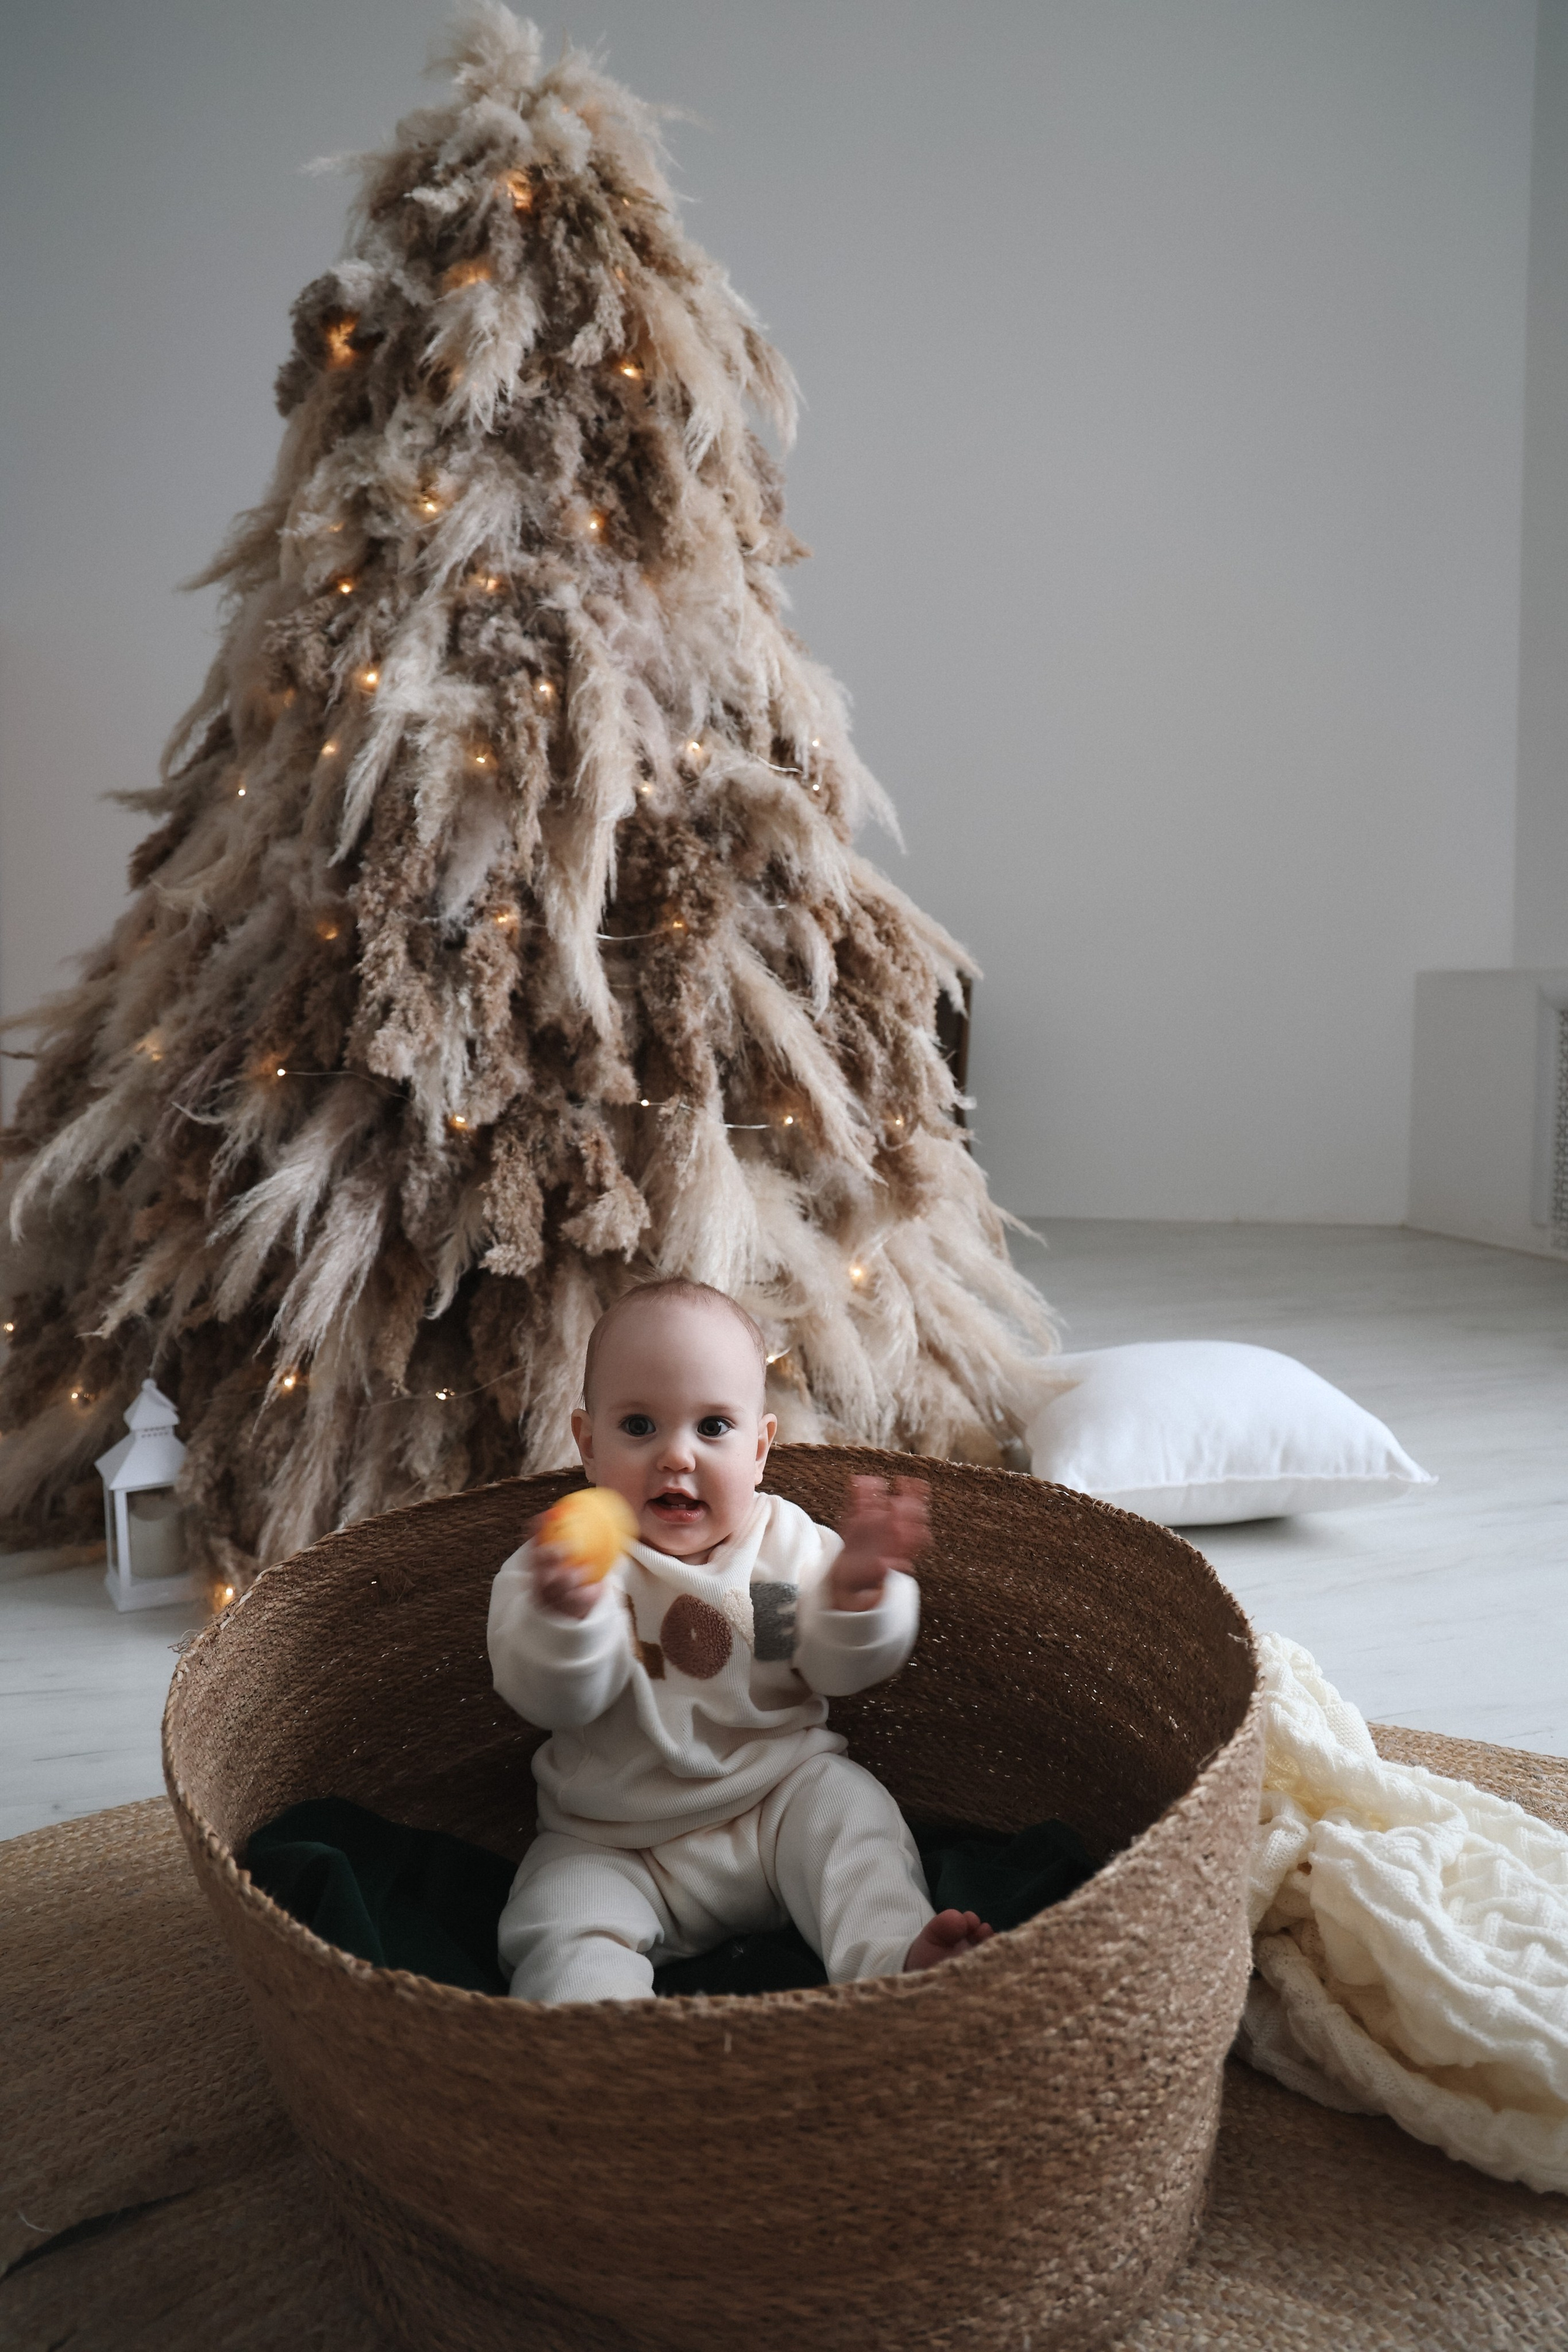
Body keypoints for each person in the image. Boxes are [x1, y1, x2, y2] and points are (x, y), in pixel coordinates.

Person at [487, 1276, 993, 2002]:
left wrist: (858, 1594)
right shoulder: (566, 1565)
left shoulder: (783, 1548)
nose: (676, 1457)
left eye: (713, 1427)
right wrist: (568, 1617)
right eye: (638, 1427)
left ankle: (893, 1962)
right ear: (587, 1445)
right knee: (556, 1913)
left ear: (760, 1450)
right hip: (615, 1837)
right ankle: (595, 2038)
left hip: (778, 1804)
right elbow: (552, 1699)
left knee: (854, 1818)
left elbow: (832, 1664)